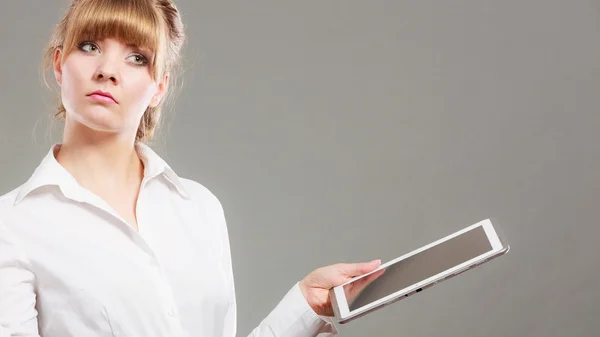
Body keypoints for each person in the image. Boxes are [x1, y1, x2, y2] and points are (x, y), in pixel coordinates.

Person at [0, 1, 382, 336]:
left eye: (137, 58)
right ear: (58, 64)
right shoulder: (11, 227)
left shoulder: (198, 207)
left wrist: (304, 307)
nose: (107, 70)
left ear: (159, 87)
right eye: (89, 46)